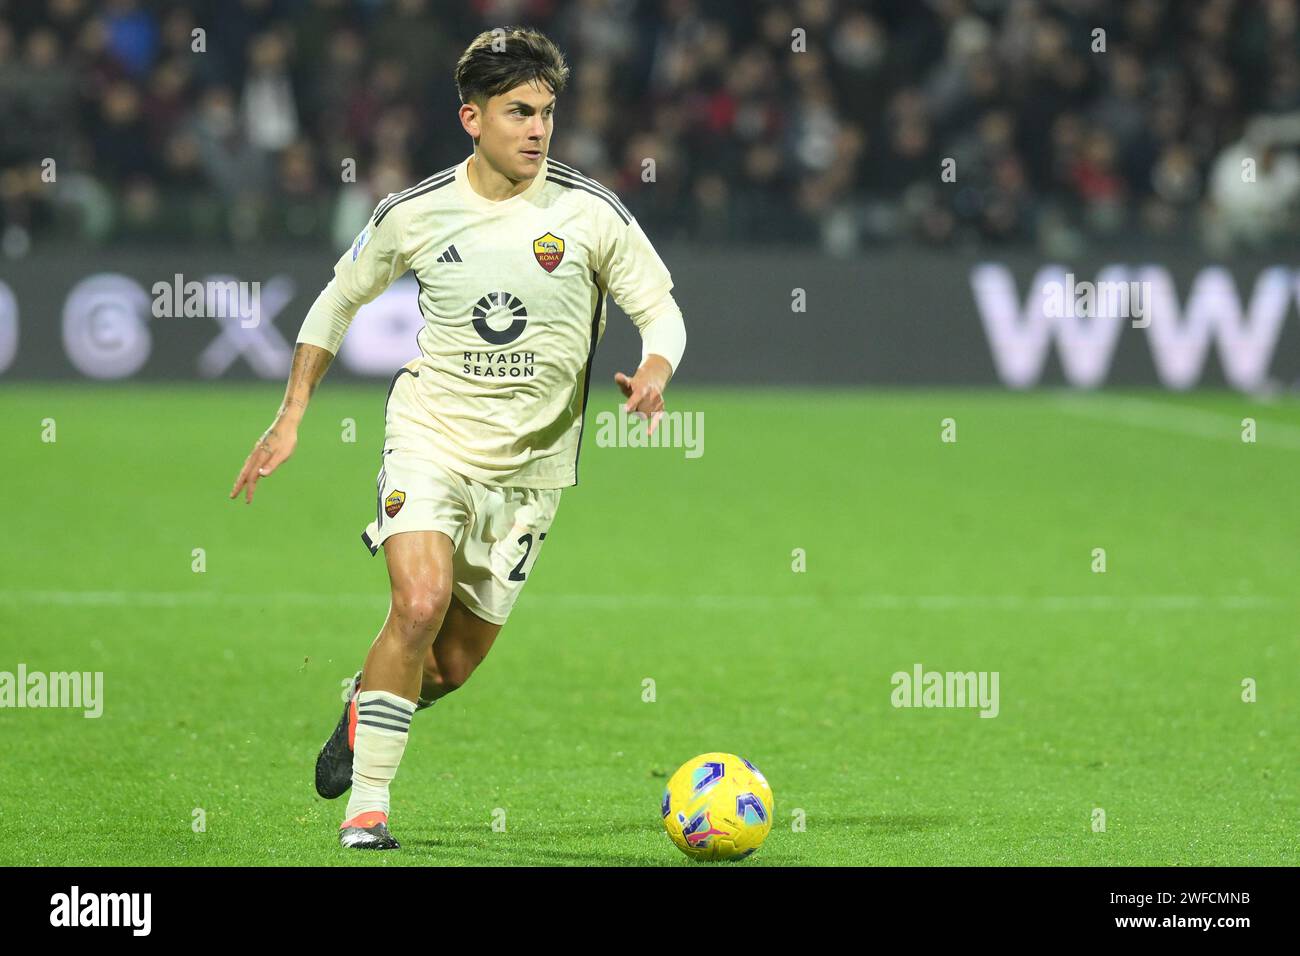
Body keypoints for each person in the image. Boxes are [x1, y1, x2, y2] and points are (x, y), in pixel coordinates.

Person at [228, 26, 686, 850]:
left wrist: (654, 367)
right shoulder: (415, 212)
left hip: (533, 470)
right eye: (519, 112)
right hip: (430, 437)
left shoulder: (588, 213)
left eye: (546, 111)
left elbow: (662, 310)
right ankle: (367, 810)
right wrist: (292, 410)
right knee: (419, 604)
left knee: (452, 664)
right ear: (472, 117)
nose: (538, 129)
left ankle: (363, 707)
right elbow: (336, 302)